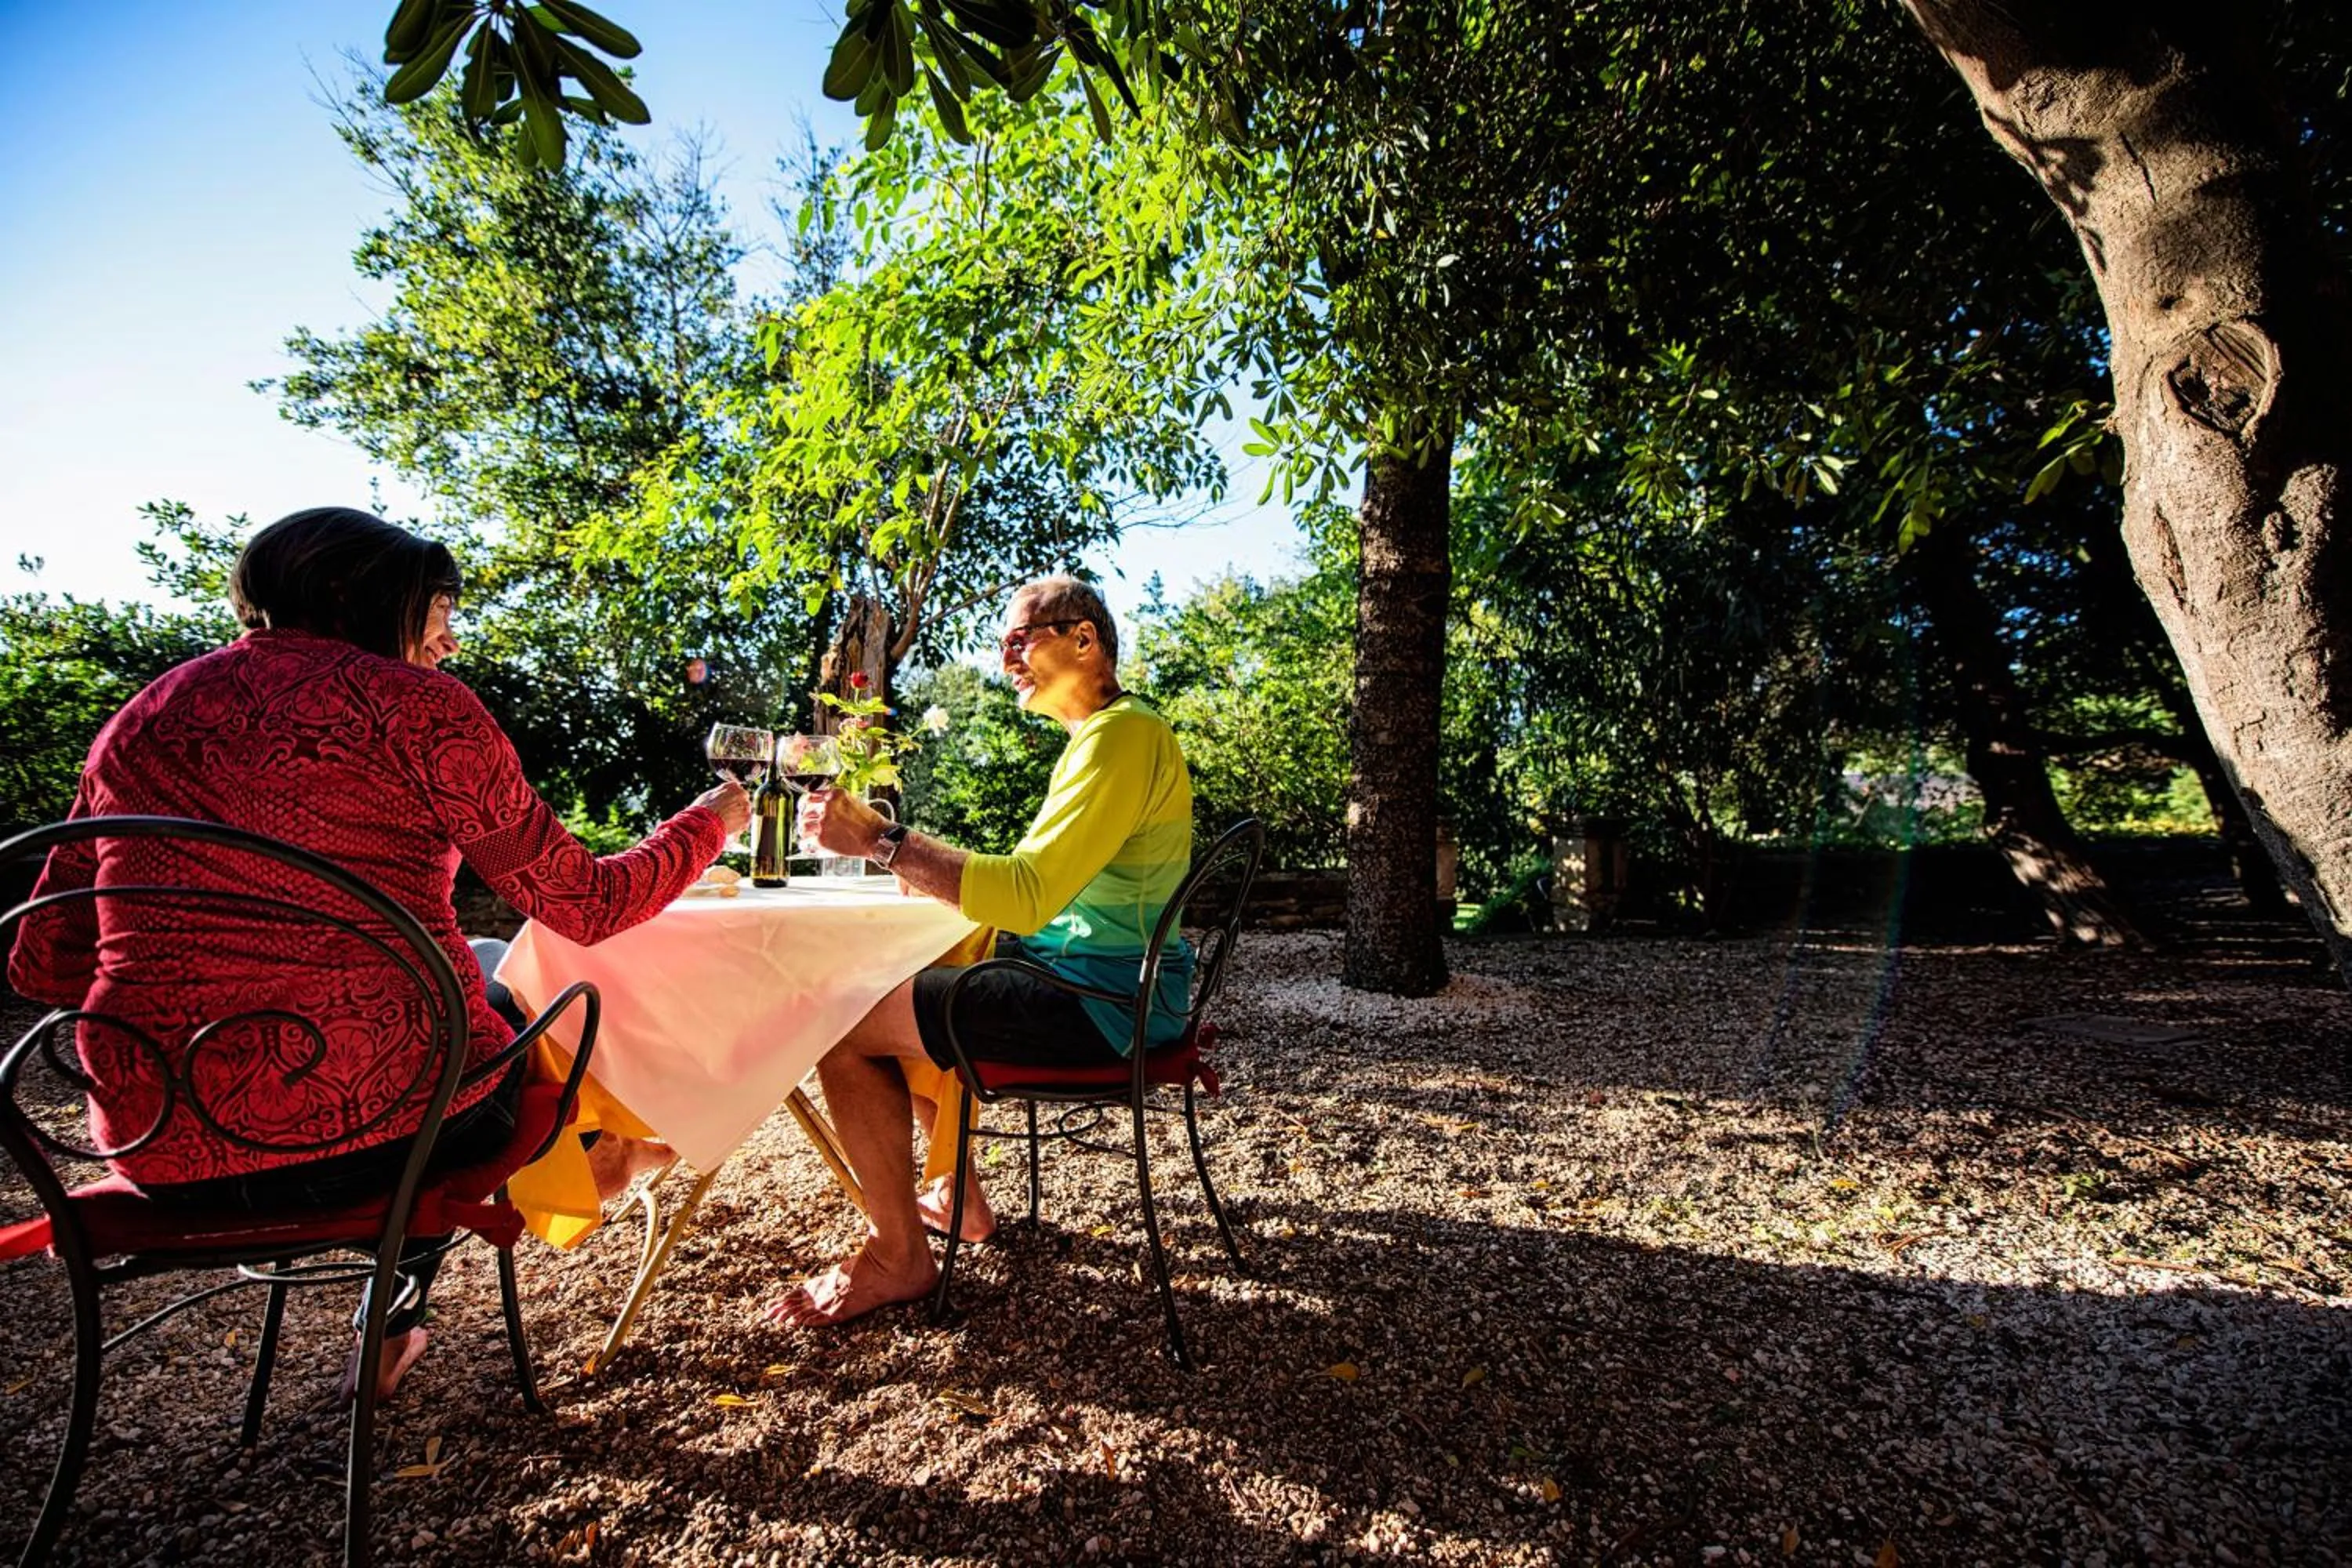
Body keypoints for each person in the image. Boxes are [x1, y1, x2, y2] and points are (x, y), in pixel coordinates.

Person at [6, 507, 750, 1398]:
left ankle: (417, 1296)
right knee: (508, 1006)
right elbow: (586, 904)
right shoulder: (419, 708)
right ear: (353, 596)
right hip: (378, 1140)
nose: (449, 636)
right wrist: (710, 821)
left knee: (469, 977)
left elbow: (42, 962)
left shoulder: (143, 717)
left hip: (159, 1141)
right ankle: (590, 1171)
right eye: (436, 608)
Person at [774, 575, 1193, 1327]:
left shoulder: (1120, 737)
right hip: (1112, 986)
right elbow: (1042, 888)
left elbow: (1026, 894)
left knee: (841, 1030)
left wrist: (880, 840)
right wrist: (929, 877)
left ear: (1084, 639)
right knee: (912, 985)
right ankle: (956, 1195)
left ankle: (897, 1257)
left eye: (1019, 639)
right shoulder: (1112, 737)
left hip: (1103, 1006)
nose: (1006, 658)